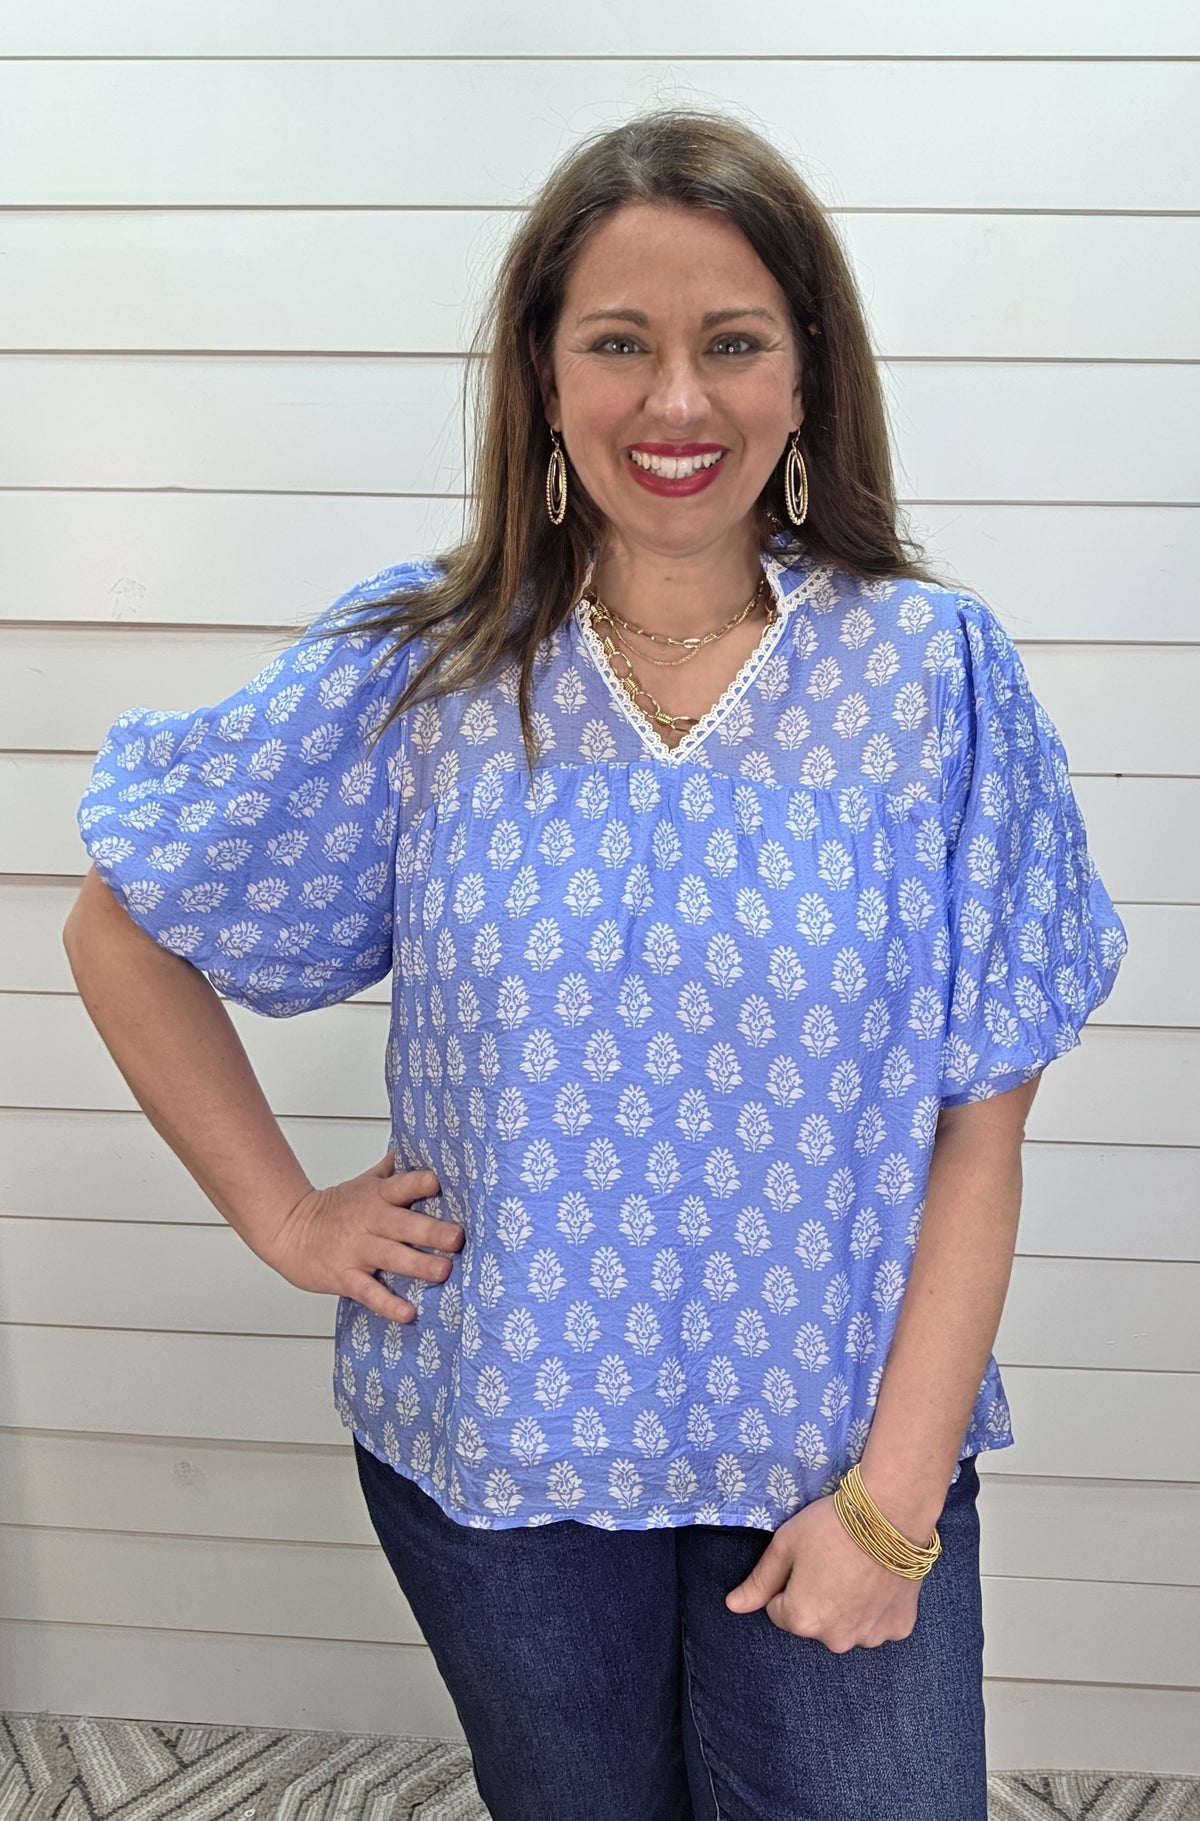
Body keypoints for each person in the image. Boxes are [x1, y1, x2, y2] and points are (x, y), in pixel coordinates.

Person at [65, 107, 1127, 1821]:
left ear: (807, 376)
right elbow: (121, 920)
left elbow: (980, 1132)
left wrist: (895, 1506)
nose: (678, 401)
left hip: (836, 1456)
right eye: (619, 344)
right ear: (545, 378)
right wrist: (285, 1214)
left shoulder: (934, 676)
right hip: (506, 1459)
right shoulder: (428, 668)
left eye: (732, 343)